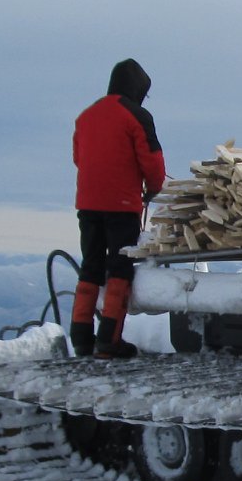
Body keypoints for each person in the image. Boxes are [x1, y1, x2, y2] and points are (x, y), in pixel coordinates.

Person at [72, 58, 166, 359]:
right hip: (122, 205)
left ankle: (81, 339)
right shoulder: (137, 116)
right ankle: (109, 340)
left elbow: (78, 157)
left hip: (87, 204)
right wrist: (152, 187)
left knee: (90, 267)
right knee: (120, 269)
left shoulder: (85, 116)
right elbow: (153, 162)